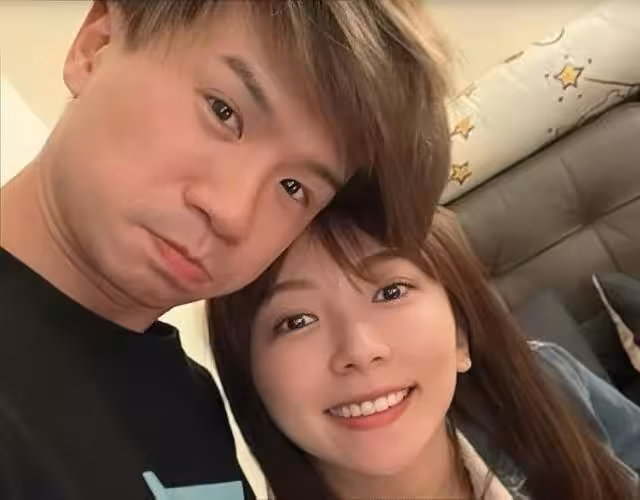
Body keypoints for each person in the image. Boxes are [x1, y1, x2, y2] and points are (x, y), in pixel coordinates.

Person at [0, 1, 452, 498]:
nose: (234, 213)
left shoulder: (189, 396)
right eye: (223, 112)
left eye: (294, 187)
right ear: (97, 45)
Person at [209, 207, 640, 500]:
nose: (360, 350)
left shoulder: (545, 381)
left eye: (391, 292)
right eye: (297, 321)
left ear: (460, 335)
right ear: (251, 378)